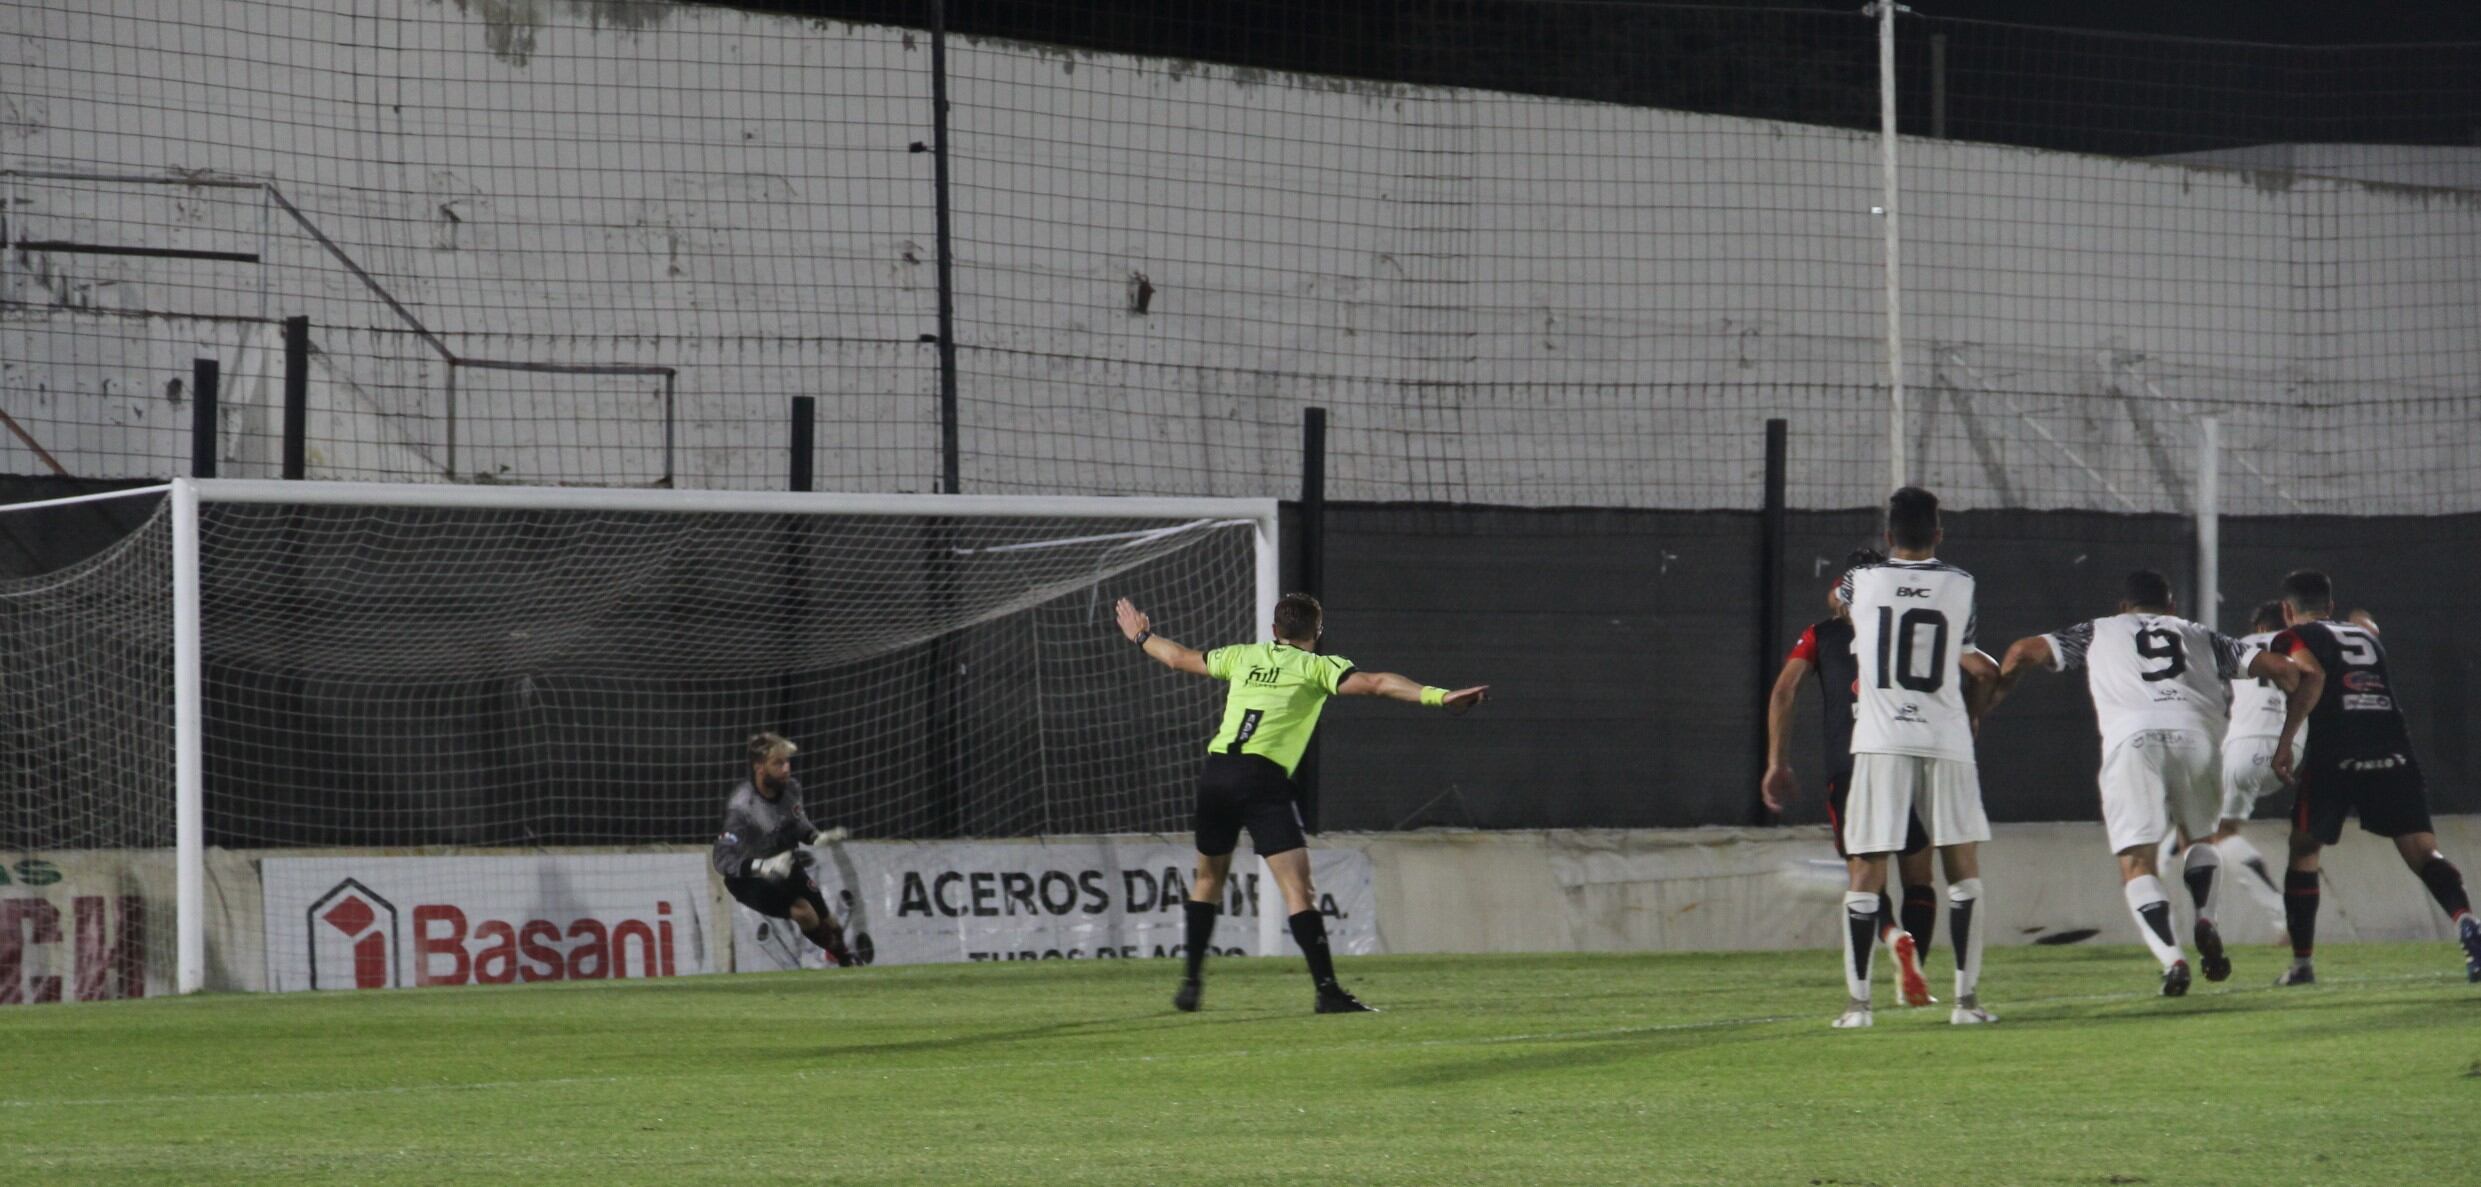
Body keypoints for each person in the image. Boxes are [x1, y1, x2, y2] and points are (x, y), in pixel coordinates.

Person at [1115, 592, 1486, 1014]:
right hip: (1262, 779)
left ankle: (1191, 983)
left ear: (1275, 631)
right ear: (1318, 633)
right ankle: (1327, 991)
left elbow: (1178, 658)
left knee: (1206, 880)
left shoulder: (1244, 656)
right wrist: (1441, 696)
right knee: (1298, 890)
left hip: (1217, 773)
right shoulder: (1316, 668)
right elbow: (1379, 683)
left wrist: (1141, 635)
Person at [1987, 570, 2298, 996]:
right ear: (2171, 608)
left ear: (2122, 608)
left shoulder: (2097, 631)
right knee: (2200, 840)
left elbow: (2024, 651)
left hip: (2132, 740)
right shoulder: (2201, 634)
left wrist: (1993, 696)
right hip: (2198, 738)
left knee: (2137, 863)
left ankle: (2172, 960)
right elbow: (2281, 667)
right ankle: (2206, 917)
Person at [1834, 487, 2001, 1028]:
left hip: (1880, 737)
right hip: (1946, 736)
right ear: (1939, 533)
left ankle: (1859, 1008)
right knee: (1961, 871)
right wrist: (1975, 715)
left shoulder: (1861, 581)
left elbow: (1837, 602)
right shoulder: (1963, 584)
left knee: (1866, 870)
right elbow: (1971, 658)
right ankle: (1966, 1004)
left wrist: (1864, 580)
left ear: (1887, 536)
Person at [2265, 571, 2481, 985]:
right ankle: (2466, 920)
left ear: (2287, 610)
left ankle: (2302, 965)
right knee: (2422, 851)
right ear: (2329, 606)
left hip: (2336, 751)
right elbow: (2362, 636)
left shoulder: (2292, 637)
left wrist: (2285, 741)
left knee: (2304, 848)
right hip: (2392, 746)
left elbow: (2312, 677)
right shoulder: (2365, 637)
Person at [1763, 549, 1937, 1009]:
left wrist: (1777, 761)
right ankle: (1914, 963)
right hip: (1904, 755)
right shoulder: (1909, 629)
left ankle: (1891, 939)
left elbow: (1784, 690)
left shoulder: (1821, 635)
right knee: (1919, 871)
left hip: (1849, 765)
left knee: (1864, 874)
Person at [2191, 600, 2303, 920]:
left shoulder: (2241, 646)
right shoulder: (2304, 647)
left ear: (2260, 629)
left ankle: (2276, 912)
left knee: (2217, 832)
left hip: (2244, 749)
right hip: (2292, 752)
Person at [712, 732, 855, 967]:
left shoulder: (791, 789)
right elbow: (721, 859)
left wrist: (816, 837)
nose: (786, 768)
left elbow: (797, 823)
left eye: (787, 762)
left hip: (787, 866)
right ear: (759, 767)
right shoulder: (742, 807)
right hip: (750, 880)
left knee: (831, 922)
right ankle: (829, 960)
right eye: (778, 763)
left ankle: (845, 960)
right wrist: (762, 866)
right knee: (803, 912)